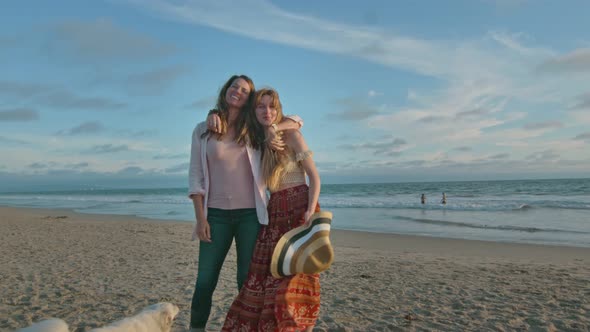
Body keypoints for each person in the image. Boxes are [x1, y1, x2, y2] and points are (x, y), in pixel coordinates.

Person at [188, 75, 303, 331]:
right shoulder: (204, 129)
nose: (238, 92)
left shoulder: (256, 129)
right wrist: (200, 219)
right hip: (215, 216)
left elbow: (297, 119)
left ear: (249, 97)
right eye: (234, 87)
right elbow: (196, 177)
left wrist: (274, 128)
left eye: (244, 90)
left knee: (246, 281)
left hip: (251, 216)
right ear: (226, 90)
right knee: (205, 281)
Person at [222, 88, 321, 332]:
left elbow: (315, 178)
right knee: (265, 279)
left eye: (272, 106)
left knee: (298, 278)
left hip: (300, 208)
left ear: (279, 109)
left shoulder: (293, 135)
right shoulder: (258, 142)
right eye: (260, 106)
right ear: (253, 111)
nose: (267, 111)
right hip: (274, 212)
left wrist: (310, 211)